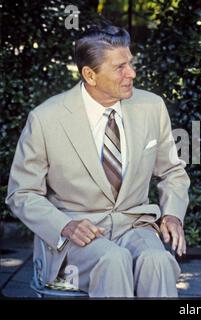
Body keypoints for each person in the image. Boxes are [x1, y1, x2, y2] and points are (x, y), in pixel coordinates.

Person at [6, 24, 190, 297]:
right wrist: (64, 226)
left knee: (159, 261)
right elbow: (21, 193)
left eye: (131, 63)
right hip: (77, 236)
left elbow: (172, 171)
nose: (132, 73)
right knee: (113, 260)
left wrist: (173, 214)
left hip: (134, 226)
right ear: (89, 75)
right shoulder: (46, 118)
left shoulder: (151, 106)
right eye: (120, 67)